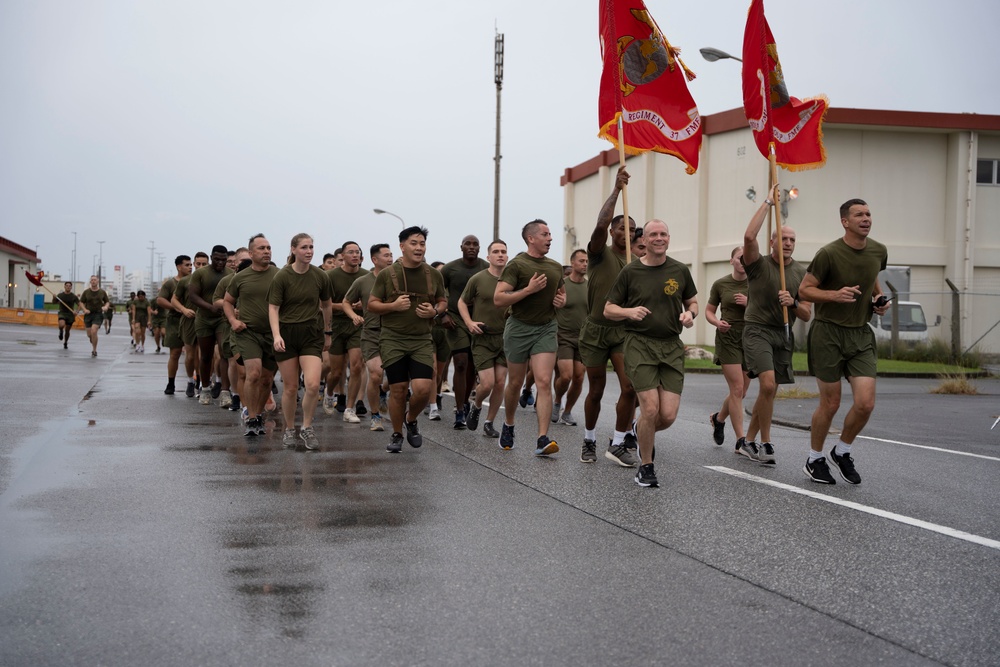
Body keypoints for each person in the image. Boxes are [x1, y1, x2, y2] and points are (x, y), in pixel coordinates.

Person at [798, 198, 889, 485]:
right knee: (831, 402)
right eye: (859, 214)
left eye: (869, 214)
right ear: (845, 222)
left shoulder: (878, 250)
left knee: (865, 403)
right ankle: (814, 459)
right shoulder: (828, 253)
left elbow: (871, 275)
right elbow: (805, 290)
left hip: (860, 333)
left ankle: (843, 451)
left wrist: (877, 298)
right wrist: (834, 295)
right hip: (828, 333)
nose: (866, 218)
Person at [604, 220, 698, 488]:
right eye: (653, 234)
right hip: (639, 344)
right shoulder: (631, 271)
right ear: (643, 239)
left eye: (663, 234)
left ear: (669, 238)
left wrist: (689, 314)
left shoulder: (680, 270)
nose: (659, 238)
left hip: (671, 346)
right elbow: (608, 309)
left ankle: (639, 430)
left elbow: (692, 301)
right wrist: (628, 312)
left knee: (666, 416)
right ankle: (646, 467)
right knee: (650, 408)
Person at [739, 188, 812, 465]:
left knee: (769, 391)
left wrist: (792, 302)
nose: (788, 242)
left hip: (783, 332)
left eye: (792, 239)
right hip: (757, 329)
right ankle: (766, 442)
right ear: (772, 241)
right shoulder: (758, 264)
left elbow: (805, 314)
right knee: (767, 385)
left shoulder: (801, 273)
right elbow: (748, 237)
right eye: (783, 237)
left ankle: (748, 440)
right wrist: (768, 202)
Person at [368, 226, 447, 453]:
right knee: (399, 388)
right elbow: (372, 304)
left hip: (422, 338)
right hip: (393, 339)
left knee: (423, 388)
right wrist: (393, 306)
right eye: (414, 243)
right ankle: (396, 434)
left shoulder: (433, 274)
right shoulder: (387, 275)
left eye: (422, 243)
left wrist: (435, 311)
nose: (419, 247)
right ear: (402, 246)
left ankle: (410, 419)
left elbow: (443, 301)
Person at [578, 166, 638, 466]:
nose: (625, 234)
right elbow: (600, 224)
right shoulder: (599, 253)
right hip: (595, 331)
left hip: (622, 332)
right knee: (597, 389)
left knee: (630, 386)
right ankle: (589, 439)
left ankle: (617, 442)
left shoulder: (636, 262)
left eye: (631, 230)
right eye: (621, 229)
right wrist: (616, 190)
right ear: (613, 232)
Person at [494, 219, 566, 457]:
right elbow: (499, 298)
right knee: (515, 382)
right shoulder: (517, 265)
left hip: (546, 327)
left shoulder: (555, 267)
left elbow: (562, 295)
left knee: (544, 381)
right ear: (531, 238)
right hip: (519, 328)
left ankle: (542, 438)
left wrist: (561, 301)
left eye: (550, 233)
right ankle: (509, 423)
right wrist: (528, 290)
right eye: (545, 234)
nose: (550, 238)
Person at [268, 233, 334, 450]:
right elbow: (274, 308)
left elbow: (326, 305)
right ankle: (288, 429)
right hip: (286, 334)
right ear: (293, 249)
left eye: (311, 247)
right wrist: (276, 335)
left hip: (311, 335)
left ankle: (306, 427)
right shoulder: (282, 276)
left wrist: (327, 332)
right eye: (304, 247)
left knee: (313, 384)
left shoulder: (320, 276)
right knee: (290, 388)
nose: (309, 251)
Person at [226, 235, 279, 436]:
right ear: (251, 253)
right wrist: (233, 321)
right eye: (261, 248)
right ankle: (250, 417)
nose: (266, 251)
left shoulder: (279, 275)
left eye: (269, 247)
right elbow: (228, 302)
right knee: (253, 373)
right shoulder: (240, 277)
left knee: (266, 379)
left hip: (272, 334)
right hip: (248, 333)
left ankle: (257, 415)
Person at [458, 239, 509, 438]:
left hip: (505, 338)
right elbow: (462, 302)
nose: (500, 255)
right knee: (487, 383)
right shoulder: (478, 279)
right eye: (496, 251)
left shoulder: (512, 279)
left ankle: (489, 422)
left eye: (503, 251)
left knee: (500, 383)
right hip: (483, 337)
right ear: (488, 257)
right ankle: (476, 405)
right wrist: (469, 322)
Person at [440, 235, 489, 429]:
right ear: (461, 247)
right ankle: (459, 411)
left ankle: (466, 401)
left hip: (478, 319)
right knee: (460, 362)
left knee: (472, 367)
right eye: (467, 244)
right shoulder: (450, 268)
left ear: (479, 248)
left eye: (475, 244)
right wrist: (442, 314)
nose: (471, 247)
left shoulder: (486, 267)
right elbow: (436, 291)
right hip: (455, 320)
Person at [344, 243, 394, 432]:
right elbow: (346, 302)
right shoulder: (363, 281)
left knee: (398, 377)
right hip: (371, 333)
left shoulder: (398, 280)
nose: (390, 259)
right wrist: (354, 315)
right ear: (375, 260)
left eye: (391, 255)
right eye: (386, 256)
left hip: (394, 333)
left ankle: (383, 391)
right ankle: (375, 415)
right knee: (375, 373)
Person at [705, 247, 750, 450]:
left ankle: (719, 418)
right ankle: (742, 440)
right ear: (732, 260)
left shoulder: (756, 283)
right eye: (740, 258)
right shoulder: (721, 284)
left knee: (741, 392)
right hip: (728, 336)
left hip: (751, 339)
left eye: (747, 258)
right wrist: (717, 323)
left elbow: (769, 310)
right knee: (737, 389)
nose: (743, 261)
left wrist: (750, 303)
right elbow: (709, 311)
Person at [323, 241, 369, 423]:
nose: (355, 255)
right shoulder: (331, 276)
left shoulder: (366, 277)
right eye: (351, 252)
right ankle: (329, 393)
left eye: (357, 252)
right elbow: (323, 305)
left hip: (358, 325)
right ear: (342, 256)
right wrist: (346, 306)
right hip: (336, 326)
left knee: (357, 366)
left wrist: (362, 306)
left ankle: (350, 409)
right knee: (336, 371)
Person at [189, 245, 234, 406]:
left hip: (222, 318)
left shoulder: (231, 275)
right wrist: (209, 307)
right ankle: (205, 388)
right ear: (211, 257)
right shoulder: (201, 274)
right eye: (217, 259)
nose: (220, 263)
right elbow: (193, 296)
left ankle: (225, 392)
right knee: (206, 355)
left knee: (224, 352)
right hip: (204, 319)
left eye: (224, 260)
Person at [552, 248, 588, 428]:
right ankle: (557, 401)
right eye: (581, 261)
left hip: (583, 338)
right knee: (566, 376)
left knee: (579, 377)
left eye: (586, 261)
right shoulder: (562, 285)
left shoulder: (590, 286)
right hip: (563, 335)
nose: (584, 264)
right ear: (572, 263)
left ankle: (567, 411)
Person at [214, 247, 251, 410]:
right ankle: (235, 395)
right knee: (234, 363)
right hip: (233, 326)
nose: (245, 263)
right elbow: (216, 301)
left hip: (255, 327)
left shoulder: (261, 278)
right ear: (235, 263)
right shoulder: (228, 280)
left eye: (248, 259)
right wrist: (231, 310)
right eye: (242, 261)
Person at [158, 255, 193, 395]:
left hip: (191, 320)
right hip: (174, 321)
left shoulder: (194, 281)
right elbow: (160, 300)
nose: (190, 267)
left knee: (192, 354)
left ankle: (192, 382)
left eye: (191, 265)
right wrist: (176, 307)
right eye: (187, 265)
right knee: (175, 353)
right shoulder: (170, 283)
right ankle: (171, 382)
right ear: (179, 267)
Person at [80, 275, 110, 357]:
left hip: (98, 313)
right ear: (90, 282)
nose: (93, 281)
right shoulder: (86, 292)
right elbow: (81, 302)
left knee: (94, 331)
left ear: (97, 281)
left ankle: (94, 350)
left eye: (95, 280)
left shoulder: (102, 292)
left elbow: (107, 301)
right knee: (89, 334)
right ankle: (92, 339)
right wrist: (84, 309)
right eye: (92, 280)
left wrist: (106, 307)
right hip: (88, 314)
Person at [54, 281, 80, 350]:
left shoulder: (73, 296)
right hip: (62, 312)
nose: (68, 287)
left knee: (67, 330)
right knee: (61, 325)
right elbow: (54, 302)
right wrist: (54, 297)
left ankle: (65, 342)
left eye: (69, 286)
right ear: (64, 287)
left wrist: (77, 311)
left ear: (71, 287)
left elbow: (79, 304)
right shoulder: (60, 295)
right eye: (67, 286)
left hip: (70, 314)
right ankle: (61, 331)